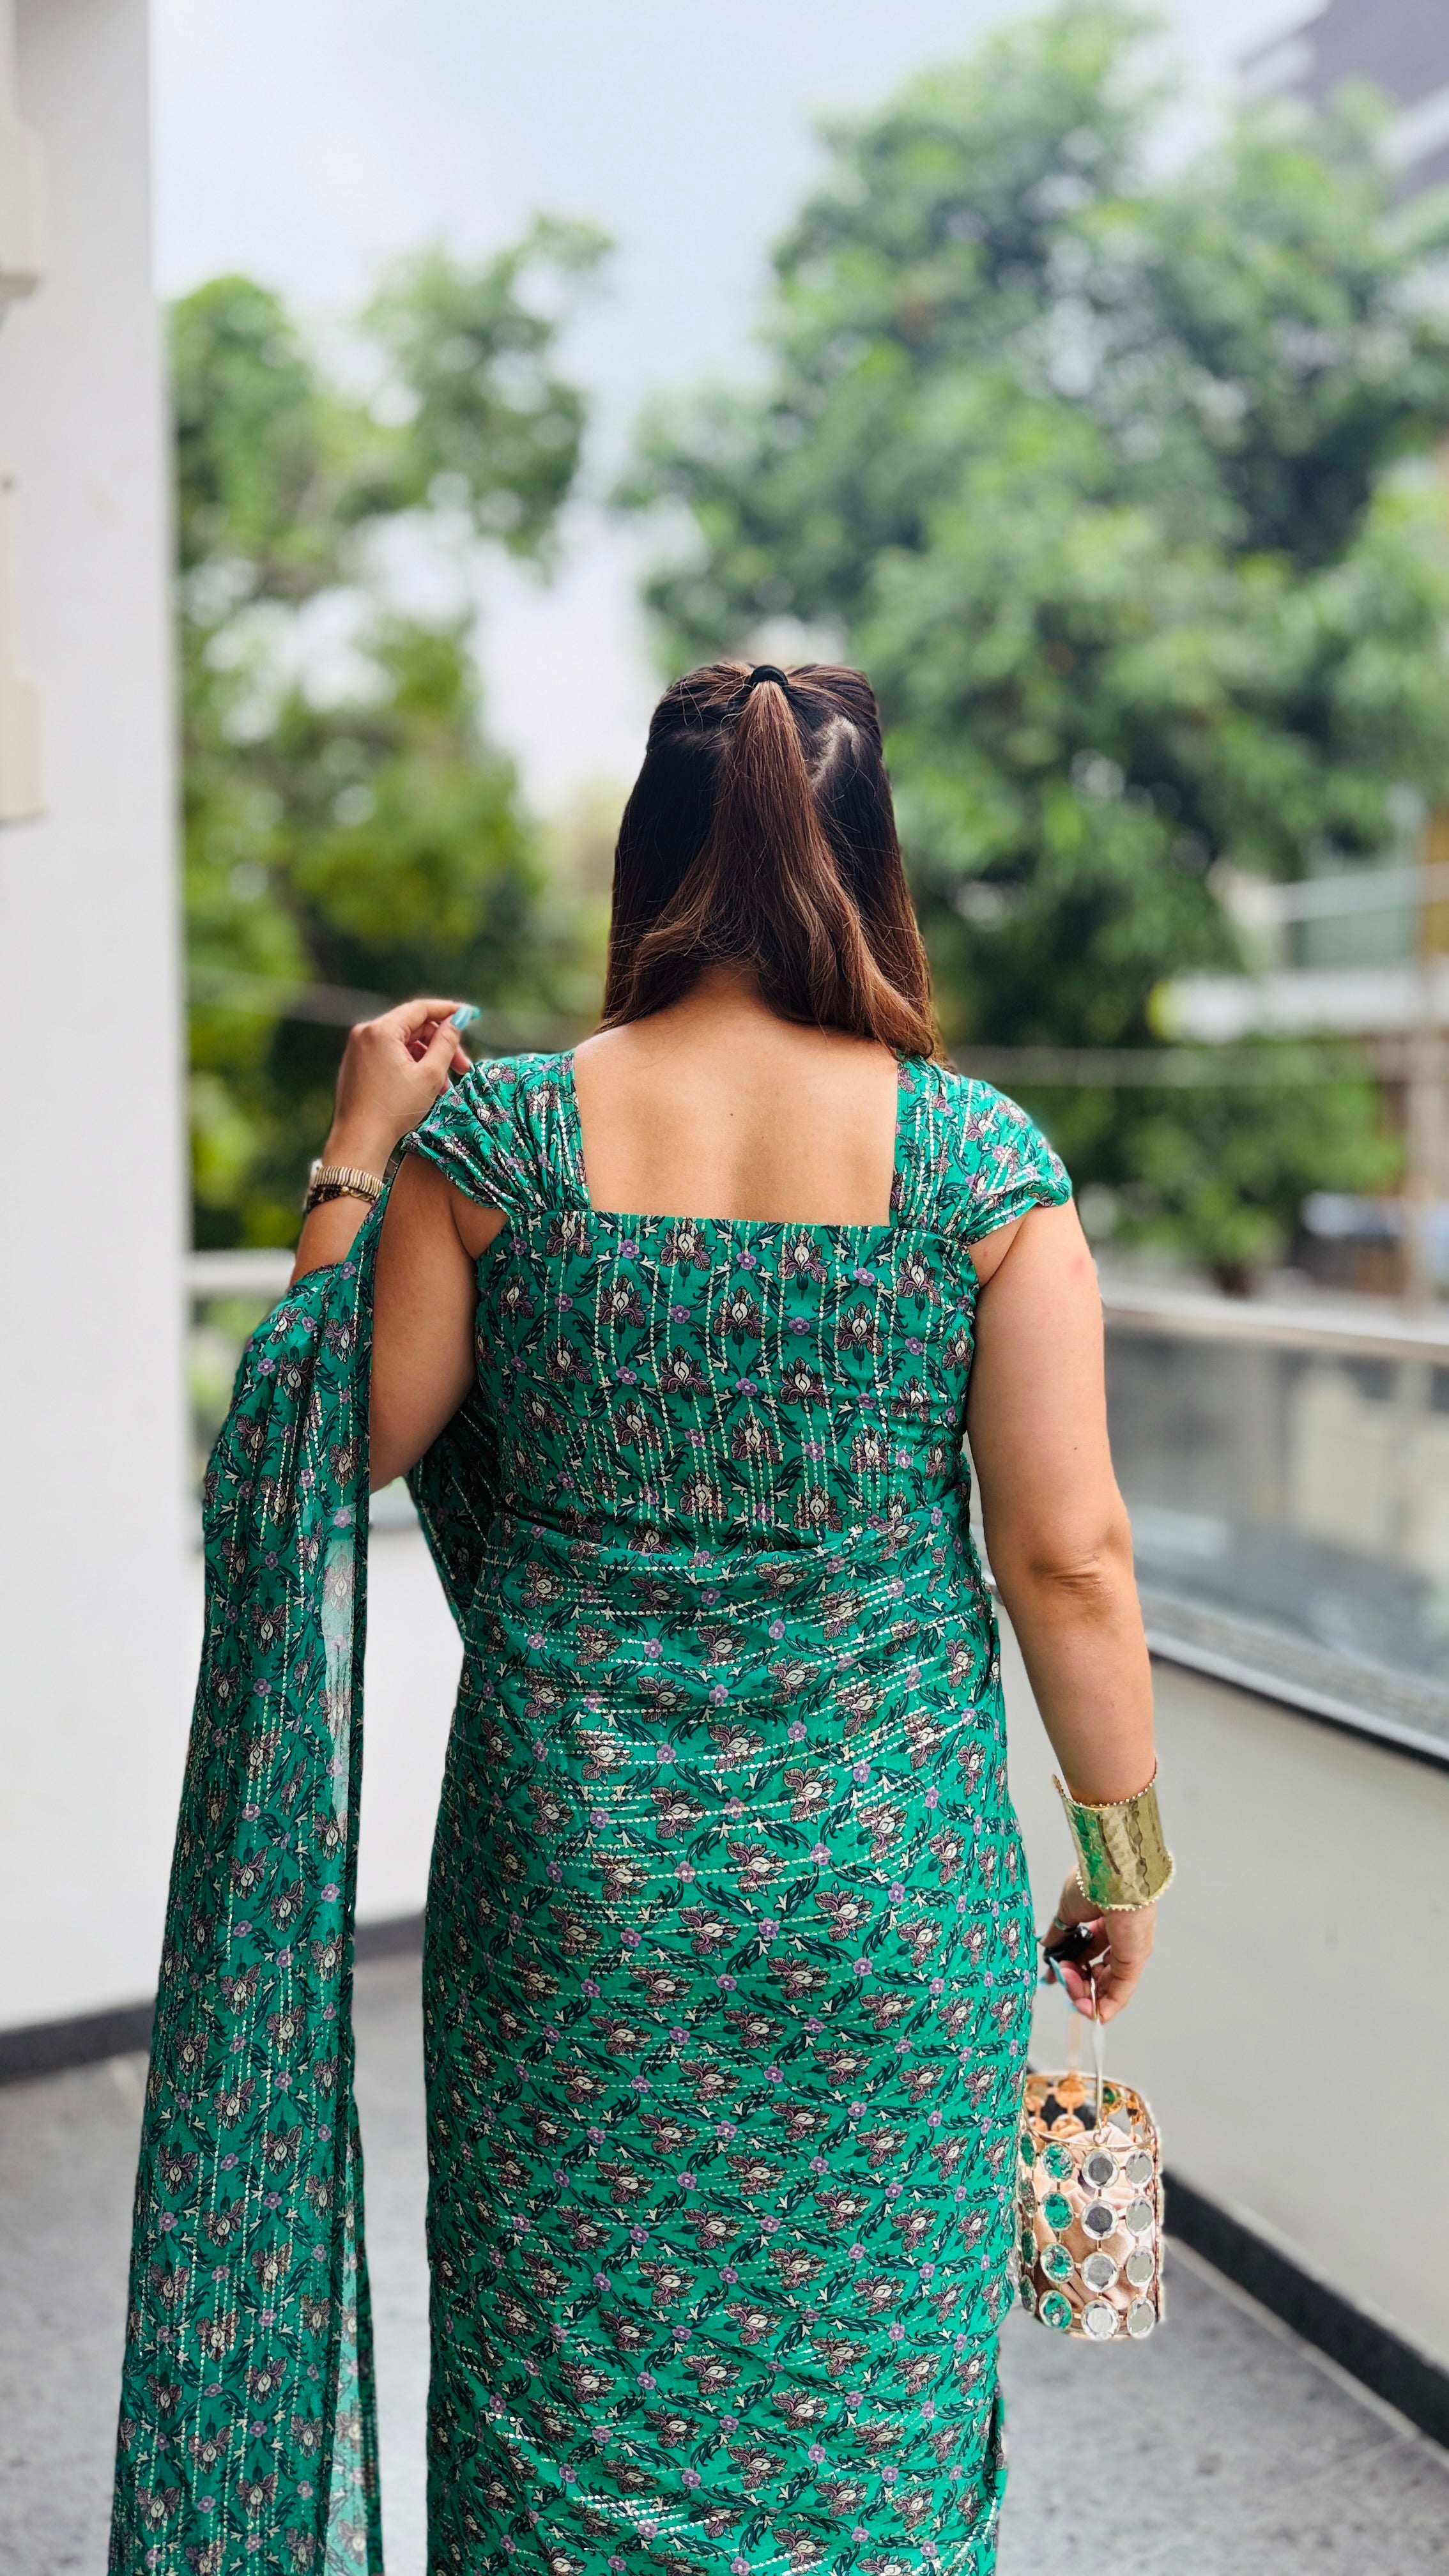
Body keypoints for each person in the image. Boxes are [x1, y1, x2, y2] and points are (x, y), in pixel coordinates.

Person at [111, 663, 1168, 2576]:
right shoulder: (978, 1169)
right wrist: (1123, 1855)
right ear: (870, 871)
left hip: (569, 1894)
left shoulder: (493, 1151)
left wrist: (357, 1148)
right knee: (874, 2409)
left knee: (558, 2385)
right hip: (883, 1893)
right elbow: (1069, 1557)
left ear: (647, 863)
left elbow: (315, 1438)